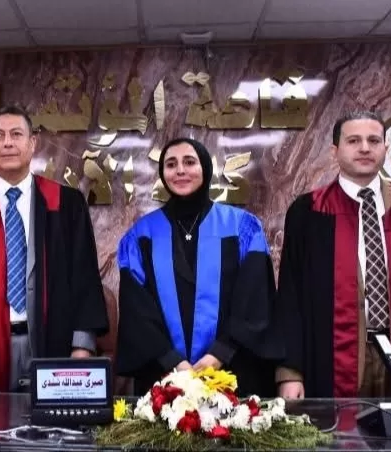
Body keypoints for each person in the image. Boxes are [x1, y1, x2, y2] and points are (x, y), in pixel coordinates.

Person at [0, 105, 109, 397]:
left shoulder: (66, 204)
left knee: (48, 424)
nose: (8, 143)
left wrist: (81, 347)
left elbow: (84, 277)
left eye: (16, 134)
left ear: (32, 142)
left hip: (53, 341)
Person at [276, 111, 391, 399]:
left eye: (374, 140)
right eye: (354, 140)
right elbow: (290, 299)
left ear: (386, 148)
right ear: (335, 151)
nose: (365, 148)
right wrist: (290, 373)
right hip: (331, 359)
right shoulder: (308, 212)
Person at [115, 138, 283, 397]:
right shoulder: (142, 235)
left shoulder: (242, 228)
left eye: (189, 162)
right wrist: (173, 361)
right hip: (164, 378)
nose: (180, 170)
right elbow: (137, 309)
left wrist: (219, 353)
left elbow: (254, 299)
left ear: (205, 167)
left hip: (233, 371)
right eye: (171, 164)